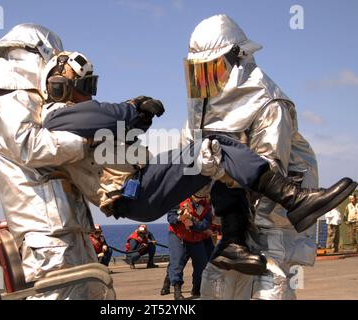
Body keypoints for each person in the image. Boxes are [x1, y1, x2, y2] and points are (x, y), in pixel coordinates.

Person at [40, 50, 357, 267]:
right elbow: (106, 114)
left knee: (220, 159)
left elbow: (121, 122)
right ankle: (293, 198)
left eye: (91, 85)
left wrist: (141, 113)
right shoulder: (56, 117)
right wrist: (131, 106)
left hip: (143, 181)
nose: (89, 92)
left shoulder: (79, 117)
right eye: (84, 85)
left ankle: (232, 242)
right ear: (57, 88)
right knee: (213, 148)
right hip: (133, 191)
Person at [176, 14, 343, 299]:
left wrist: (215, 169)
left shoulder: (269, 102)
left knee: (272, 287)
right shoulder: (200, 109)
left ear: (237, 61)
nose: (206, 80)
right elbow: (195, 173)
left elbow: (268, 172)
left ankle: (299, 200)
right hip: (234, 226)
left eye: (212, 69)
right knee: (214, 286)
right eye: (200, 71)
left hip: (270, 220)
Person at [0, 25, 105, 300]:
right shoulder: (11, 93)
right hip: (45, 229)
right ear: (39, 55)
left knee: (91, 291)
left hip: (64, 226)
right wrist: (85, 142)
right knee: (61, 293)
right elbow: (29, 146)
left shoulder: (31, 97)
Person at [166, 191, 215, 300]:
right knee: (177, 261)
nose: (198, 199)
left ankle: (196, 288)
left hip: (195, 237)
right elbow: (170, 217)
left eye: (201, 197)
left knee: (202, 263)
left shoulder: (205, 205)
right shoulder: (179, 199)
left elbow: (205, 224)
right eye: (197, 197)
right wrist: (180, 218)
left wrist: (192, 224)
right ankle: (177, 291)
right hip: (178, 235)